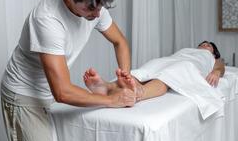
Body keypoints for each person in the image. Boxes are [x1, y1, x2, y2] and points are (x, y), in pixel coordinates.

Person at [0, 0, 136, 141]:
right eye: (90, 8)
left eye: (100, 7)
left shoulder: (94, 5)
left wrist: (124, 77)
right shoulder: (47, 19)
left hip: (51, 94)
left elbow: (119, 41)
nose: (97, 14)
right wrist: (112, 100)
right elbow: (63, 91)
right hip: (25, 95)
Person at [83, 41, 225, 102]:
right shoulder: (187, 50)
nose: (204, 45)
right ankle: (107, 87)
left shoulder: (212, 57)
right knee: (146, 69)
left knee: (170, 74)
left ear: (214, 53)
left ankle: (139, 93)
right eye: (202, 44)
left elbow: (220, 66)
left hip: (187, 65)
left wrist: (217, 72)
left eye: (208, 46)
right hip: (169, 60)